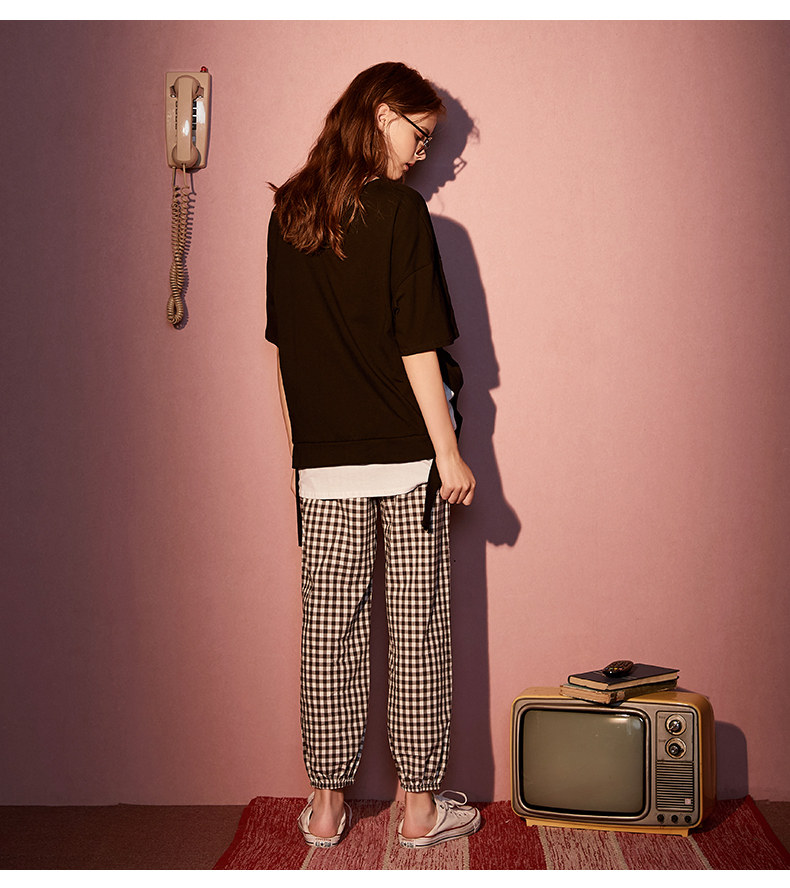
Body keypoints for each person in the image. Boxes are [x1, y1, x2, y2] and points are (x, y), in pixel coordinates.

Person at [265, 61, 480, 849]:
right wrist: (449, 454)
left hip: (323, 466)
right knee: (417, 631)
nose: (426, 156)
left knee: (331, 633)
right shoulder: (400, 211)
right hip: (406, 458)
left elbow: (283, 350)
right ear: (383, 113)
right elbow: (418, 343)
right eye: (421, 136)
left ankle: (326, 808)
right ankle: (418, 811)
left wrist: (300, 458)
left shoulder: (289, 211)